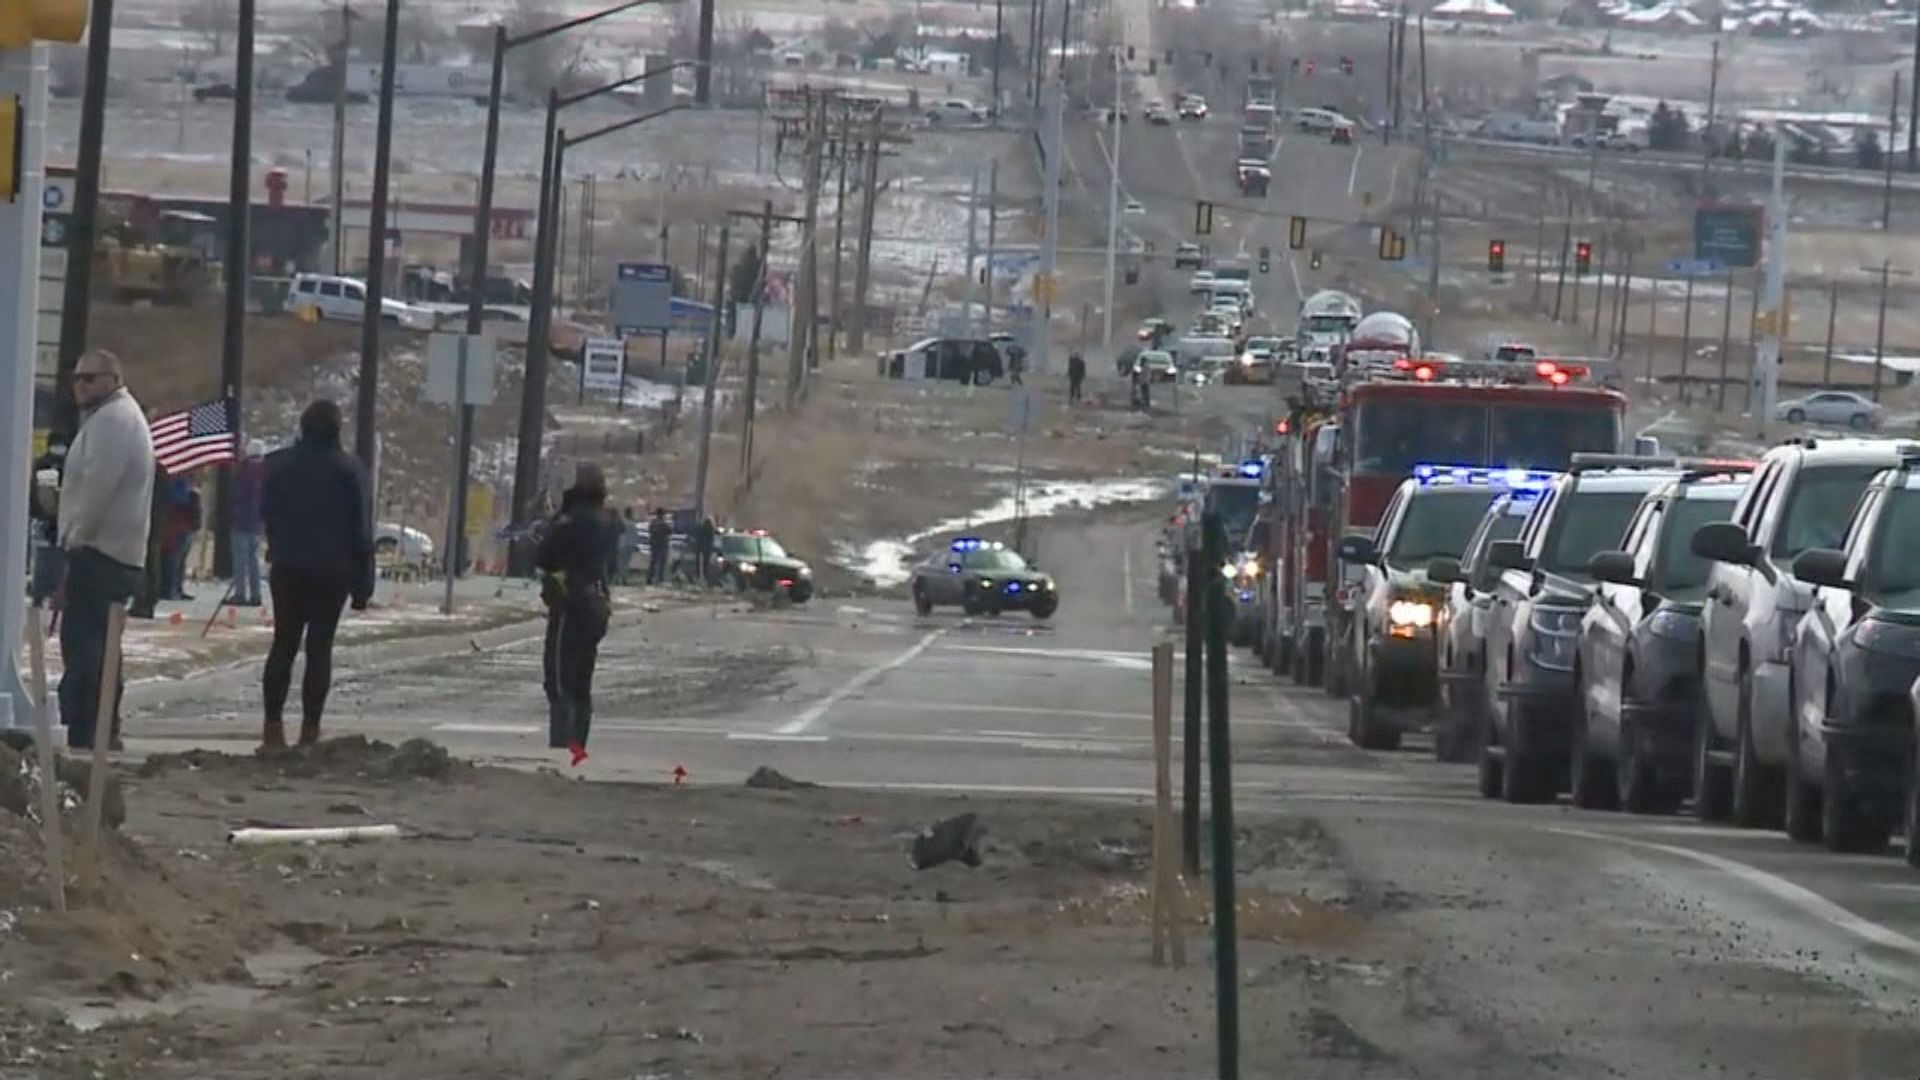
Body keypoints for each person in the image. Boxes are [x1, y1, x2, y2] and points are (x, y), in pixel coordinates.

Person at [260, 400, 374, 750]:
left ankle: (272, 726)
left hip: (288, 566)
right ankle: (310, 729)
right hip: (332, 570)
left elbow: (268, 514)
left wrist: (278, 545)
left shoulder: (277, 466)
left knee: (283, 644)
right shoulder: (349, 469)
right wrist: (362, 585)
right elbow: (361, 529)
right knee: (319, 648)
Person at [56, 349, 155, 750]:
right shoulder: (114, 417)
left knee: (86, 650)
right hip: (114, 551)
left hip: (101, 553)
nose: (80, 386)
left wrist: (74, 537)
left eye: (90, 378)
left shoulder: (114, 421)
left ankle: (90, 732)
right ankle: (100, 730)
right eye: (76, 379)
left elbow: (98, 488)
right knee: (102, 648)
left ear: (113, 379)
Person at [537, 463, 620, 765]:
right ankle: (578, 747)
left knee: (560, 678)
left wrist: (557, 516)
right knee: (583, 677)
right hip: (597, 601)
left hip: (571, 602)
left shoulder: (572, 520)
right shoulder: (608, 520)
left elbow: (544, 556)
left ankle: (562, 744)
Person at [28, 435, 69, 607]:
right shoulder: (69, 463)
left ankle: (39, 595)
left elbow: (32, 492)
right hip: (61, 519)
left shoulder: (41, 463)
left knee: (41, 558)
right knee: (58, 560)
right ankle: (55, 595)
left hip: (42, 519)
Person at [230, 439, 267, 605]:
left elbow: (238, 496)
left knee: (240, 561)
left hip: (241, 521)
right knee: (254, 561)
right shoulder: (266, 472)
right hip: (258, 522)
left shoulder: (244, 472)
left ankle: (240, 593)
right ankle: (256, 594)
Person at [158, 475, 201, 600]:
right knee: (177, 559)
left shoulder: (178, 484)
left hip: (179, 525)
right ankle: (174, 587)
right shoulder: (181, 485)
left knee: (176, 559)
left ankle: (173, 588)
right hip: (181, 525)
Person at [646, 506, 673, 585]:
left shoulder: (653, 523)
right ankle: (660, 579)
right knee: (662, 562)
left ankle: (650, 578)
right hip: (662, 545)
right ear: (662, 515)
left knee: (653, 562)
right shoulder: (664, 524)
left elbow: (650, 531)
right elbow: (670, 531)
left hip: (654, 545)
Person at [691, 515, 717, 585]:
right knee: (705, 566)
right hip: (707, 550)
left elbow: (696, 538)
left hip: (700, 550)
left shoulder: (700, 528)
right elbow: (712, 541)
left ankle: (699, 578)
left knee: (699, 566)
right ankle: (704, 579)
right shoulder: (711, 531)